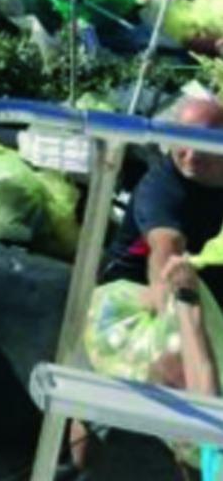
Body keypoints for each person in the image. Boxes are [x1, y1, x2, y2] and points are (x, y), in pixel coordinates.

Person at [70, 95, 223, 474]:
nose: (189, 153)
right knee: (185, 371)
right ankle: (79, 465)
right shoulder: (161, 187)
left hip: (204, 286)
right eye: (180, 141)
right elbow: (166, 250)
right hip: (132, 294)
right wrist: (172, 307)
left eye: (201, 142)